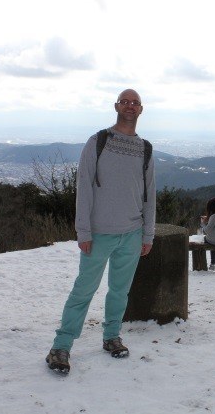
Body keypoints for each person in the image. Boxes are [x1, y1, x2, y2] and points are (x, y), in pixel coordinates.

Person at [46, 89, 156, 374]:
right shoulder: (98, 142)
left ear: (141, 109)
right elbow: (83, 187)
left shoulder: (145, 148)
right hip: (99, 234)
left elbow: (149, 195)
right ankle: (61, 347)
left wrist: (148, 234)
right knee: (84, 291)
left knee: (120, 292)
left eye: (135, 103)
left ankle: (111, 337)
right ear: (116, 106)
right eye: (125, 101)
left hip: (132, 234)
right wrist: (83, 231)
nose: (130, 106)